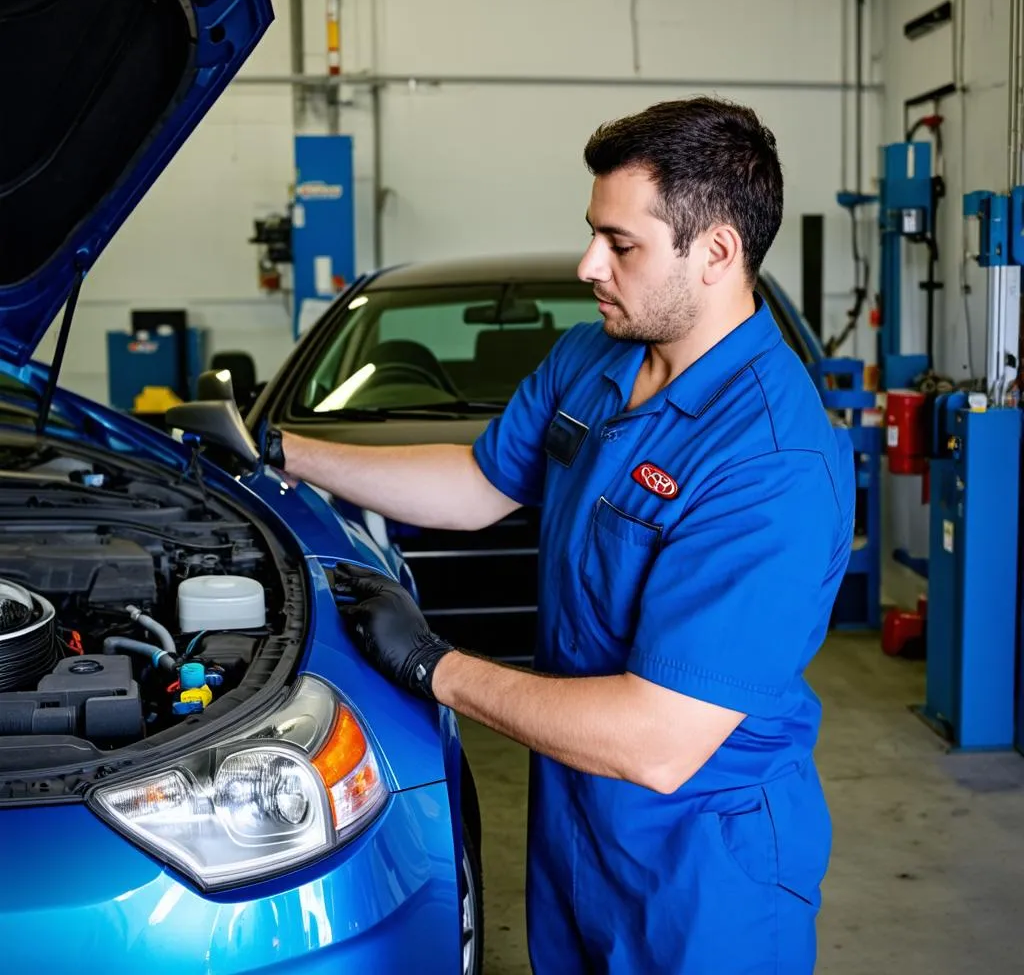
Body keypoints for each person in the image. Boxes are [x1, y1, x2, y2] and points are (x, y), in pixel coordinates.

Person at [263, 96, 855, 974]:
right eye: (594, 233)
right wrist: (285, 452)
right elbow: (474, 484)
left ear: (717, 253)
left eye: (621, 245)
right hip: (576, 822)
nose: (588, 264)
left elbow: (658, 740)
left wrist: (434, 667)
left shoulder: (774, 461)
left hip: (701, 868)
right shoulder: (593, 358)